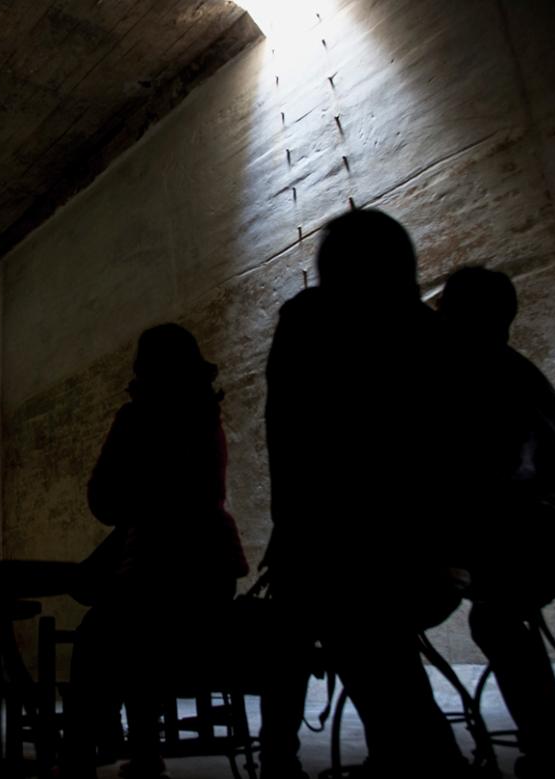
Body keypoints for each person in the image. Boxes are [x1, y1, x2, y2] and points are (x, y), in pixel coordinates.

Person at [259, 209, 467, 776]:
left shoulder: (309, 322)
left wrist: (292, 534)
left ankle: (283, 759)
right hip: (433, 563)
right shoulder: (429, 333)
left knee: (316, 608)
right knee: (352, 614)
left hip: (358, 561)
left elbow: (293, 446)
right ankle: (410, 752)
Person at [62, 323, 248, 779]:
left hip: (152, 568)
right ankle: (141, 752)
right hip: (213, 572)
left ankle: (88, 757)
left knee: (102, 638)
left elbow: (103, 500)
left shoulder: (138, 418)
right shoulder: (207, 416)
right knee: (134, 630)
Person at [439, 266, 555, 779]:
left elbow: (499, 476)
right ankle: (549, 749)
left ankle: (550, 753)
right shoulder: (511, 371)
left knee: (493, 618)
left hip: (537, 539)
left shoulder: (491, 378)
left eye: (446, 310)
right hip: (548, 535)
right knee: (495, 616)